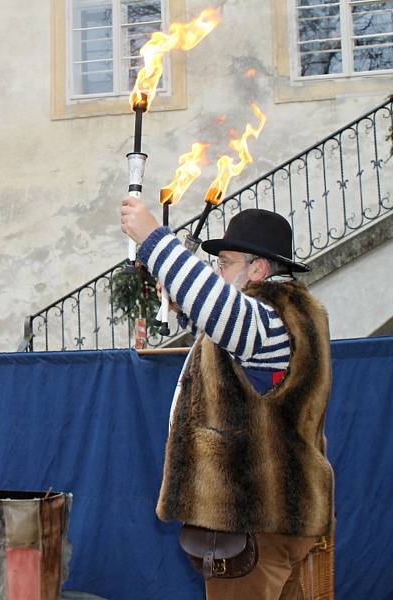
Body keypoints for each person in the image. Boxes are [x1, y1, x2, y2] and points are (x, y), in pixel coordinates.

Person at [121, 201, 333, 600]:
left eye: (226, 263)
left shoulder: (270, 321)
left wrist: (152, 238)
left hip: (253, 522)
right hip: (270, 521)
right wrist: (181, 302)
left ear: (259, 269)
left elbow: (221, 309)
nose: (218, 271)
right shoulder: (275, 320)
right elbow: (219, 320)